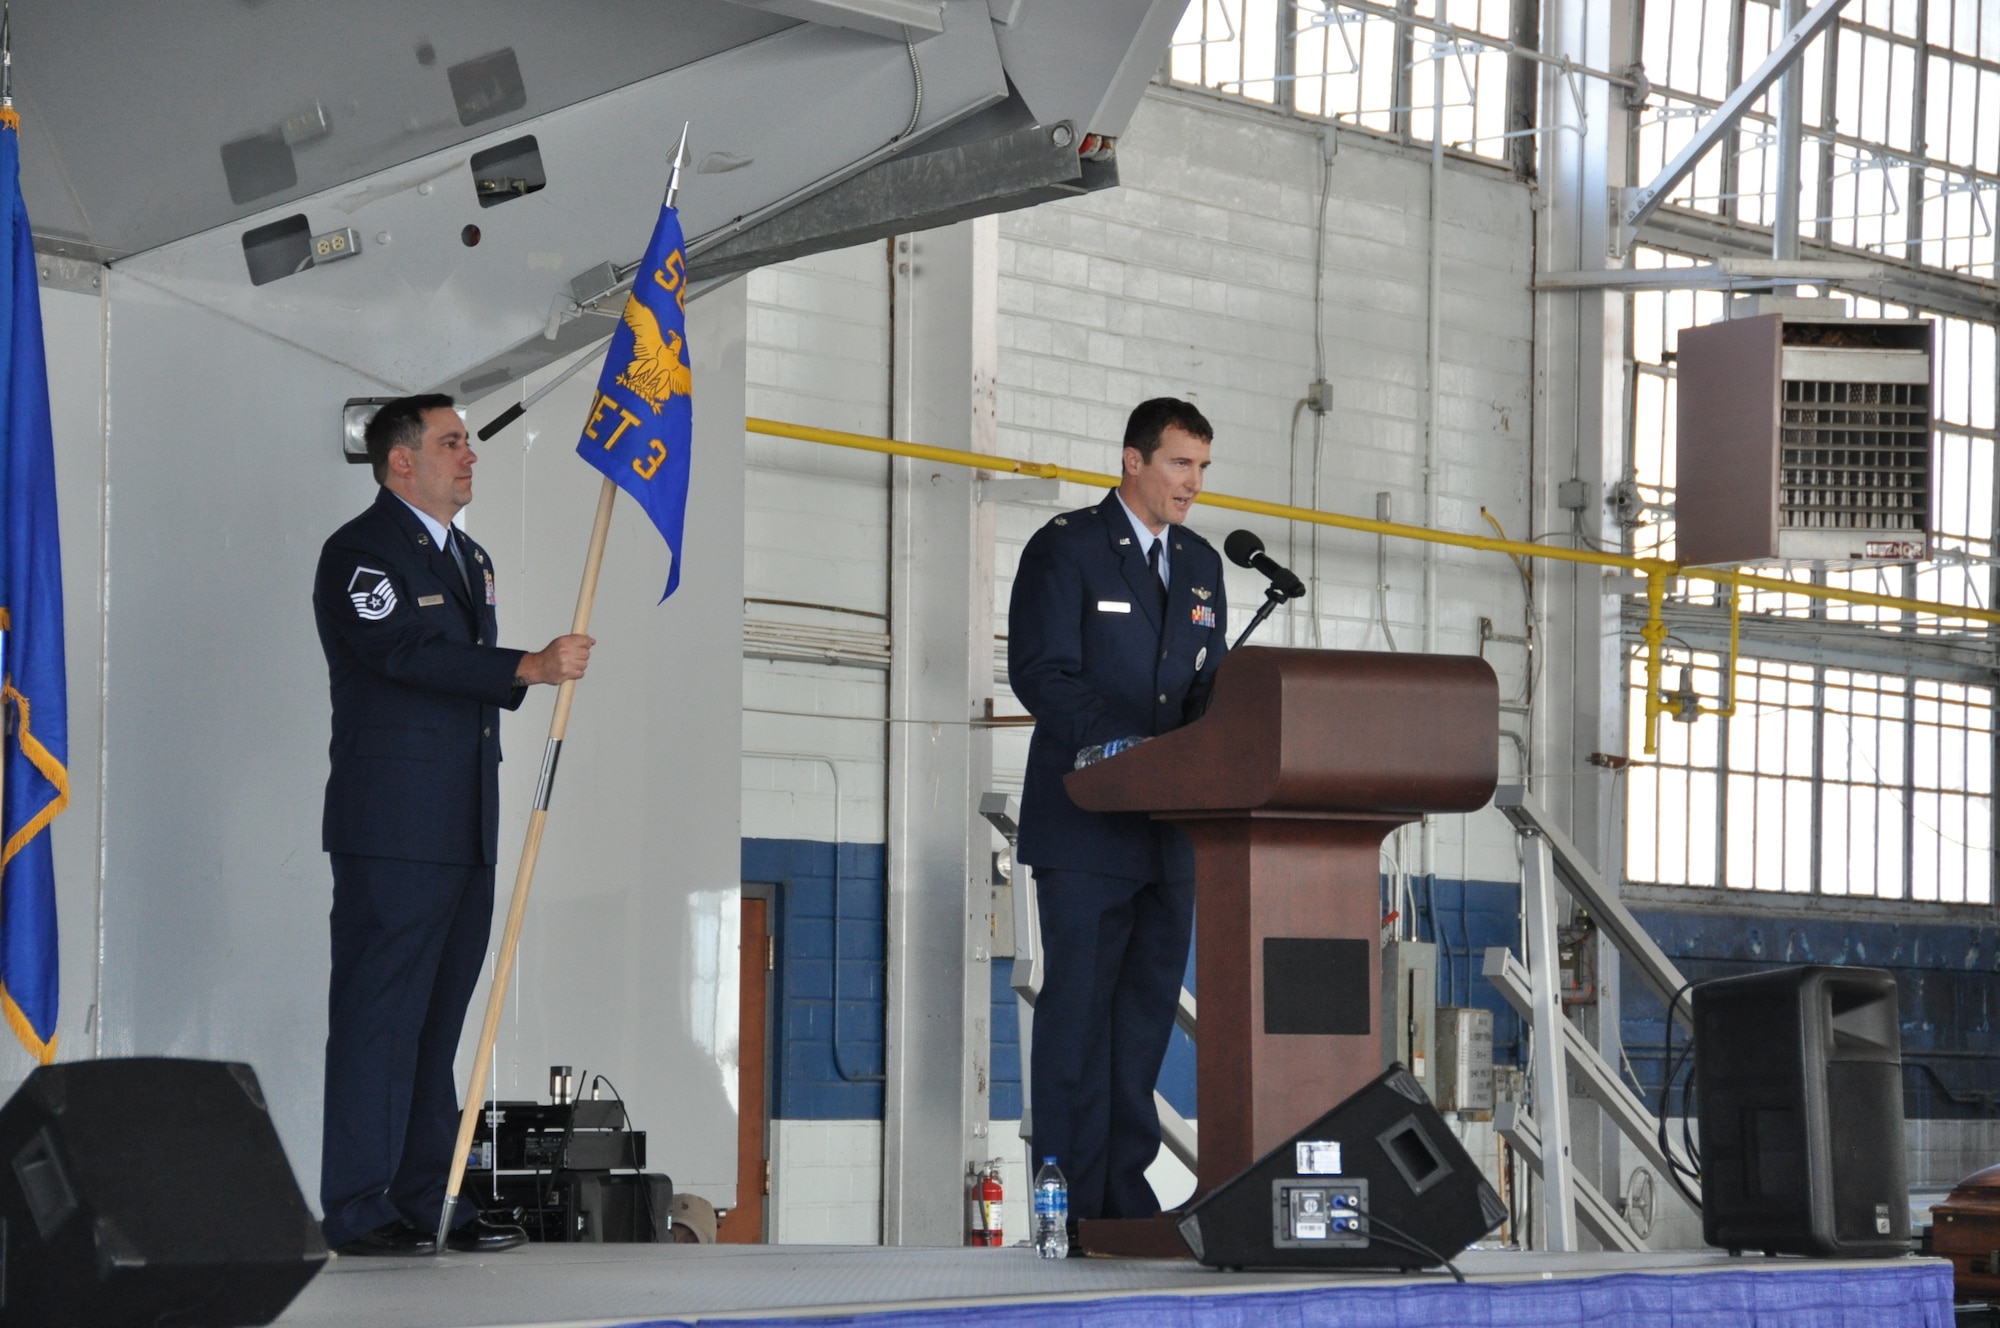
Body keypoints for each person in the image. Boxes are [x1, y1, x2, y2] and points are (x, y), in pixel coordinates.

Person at [313, 394, 593, 1256]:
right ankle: (360, 1208)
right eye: (451, 443)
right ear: (401, 461)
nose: (469, 456)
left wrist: (522, 669)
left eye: (468, 443)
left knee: (437, 1022)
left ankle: (428, 1199)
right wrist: (527, 666)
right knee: (377, 1019)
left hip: (463, 826)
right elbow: (402, 652)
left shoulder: (471, 558)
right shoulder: (362, 554)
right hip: (392, 829)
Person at [1007, 397, 1229, 1226]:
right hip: (1088, 823)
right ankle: (1066, 1199)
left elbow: (1206, 687)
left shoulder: (1203, 563)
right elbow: (1043, 672)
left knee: (1141, 1025)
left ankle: (1124, 1200)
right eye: (1180, 464)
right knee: (1077, 1019)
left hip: (1171, 832)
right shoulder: (1067, 550)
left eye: (1203, 468)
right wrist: (1131, 751)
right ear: (1133, 461)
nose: (1193, 484)